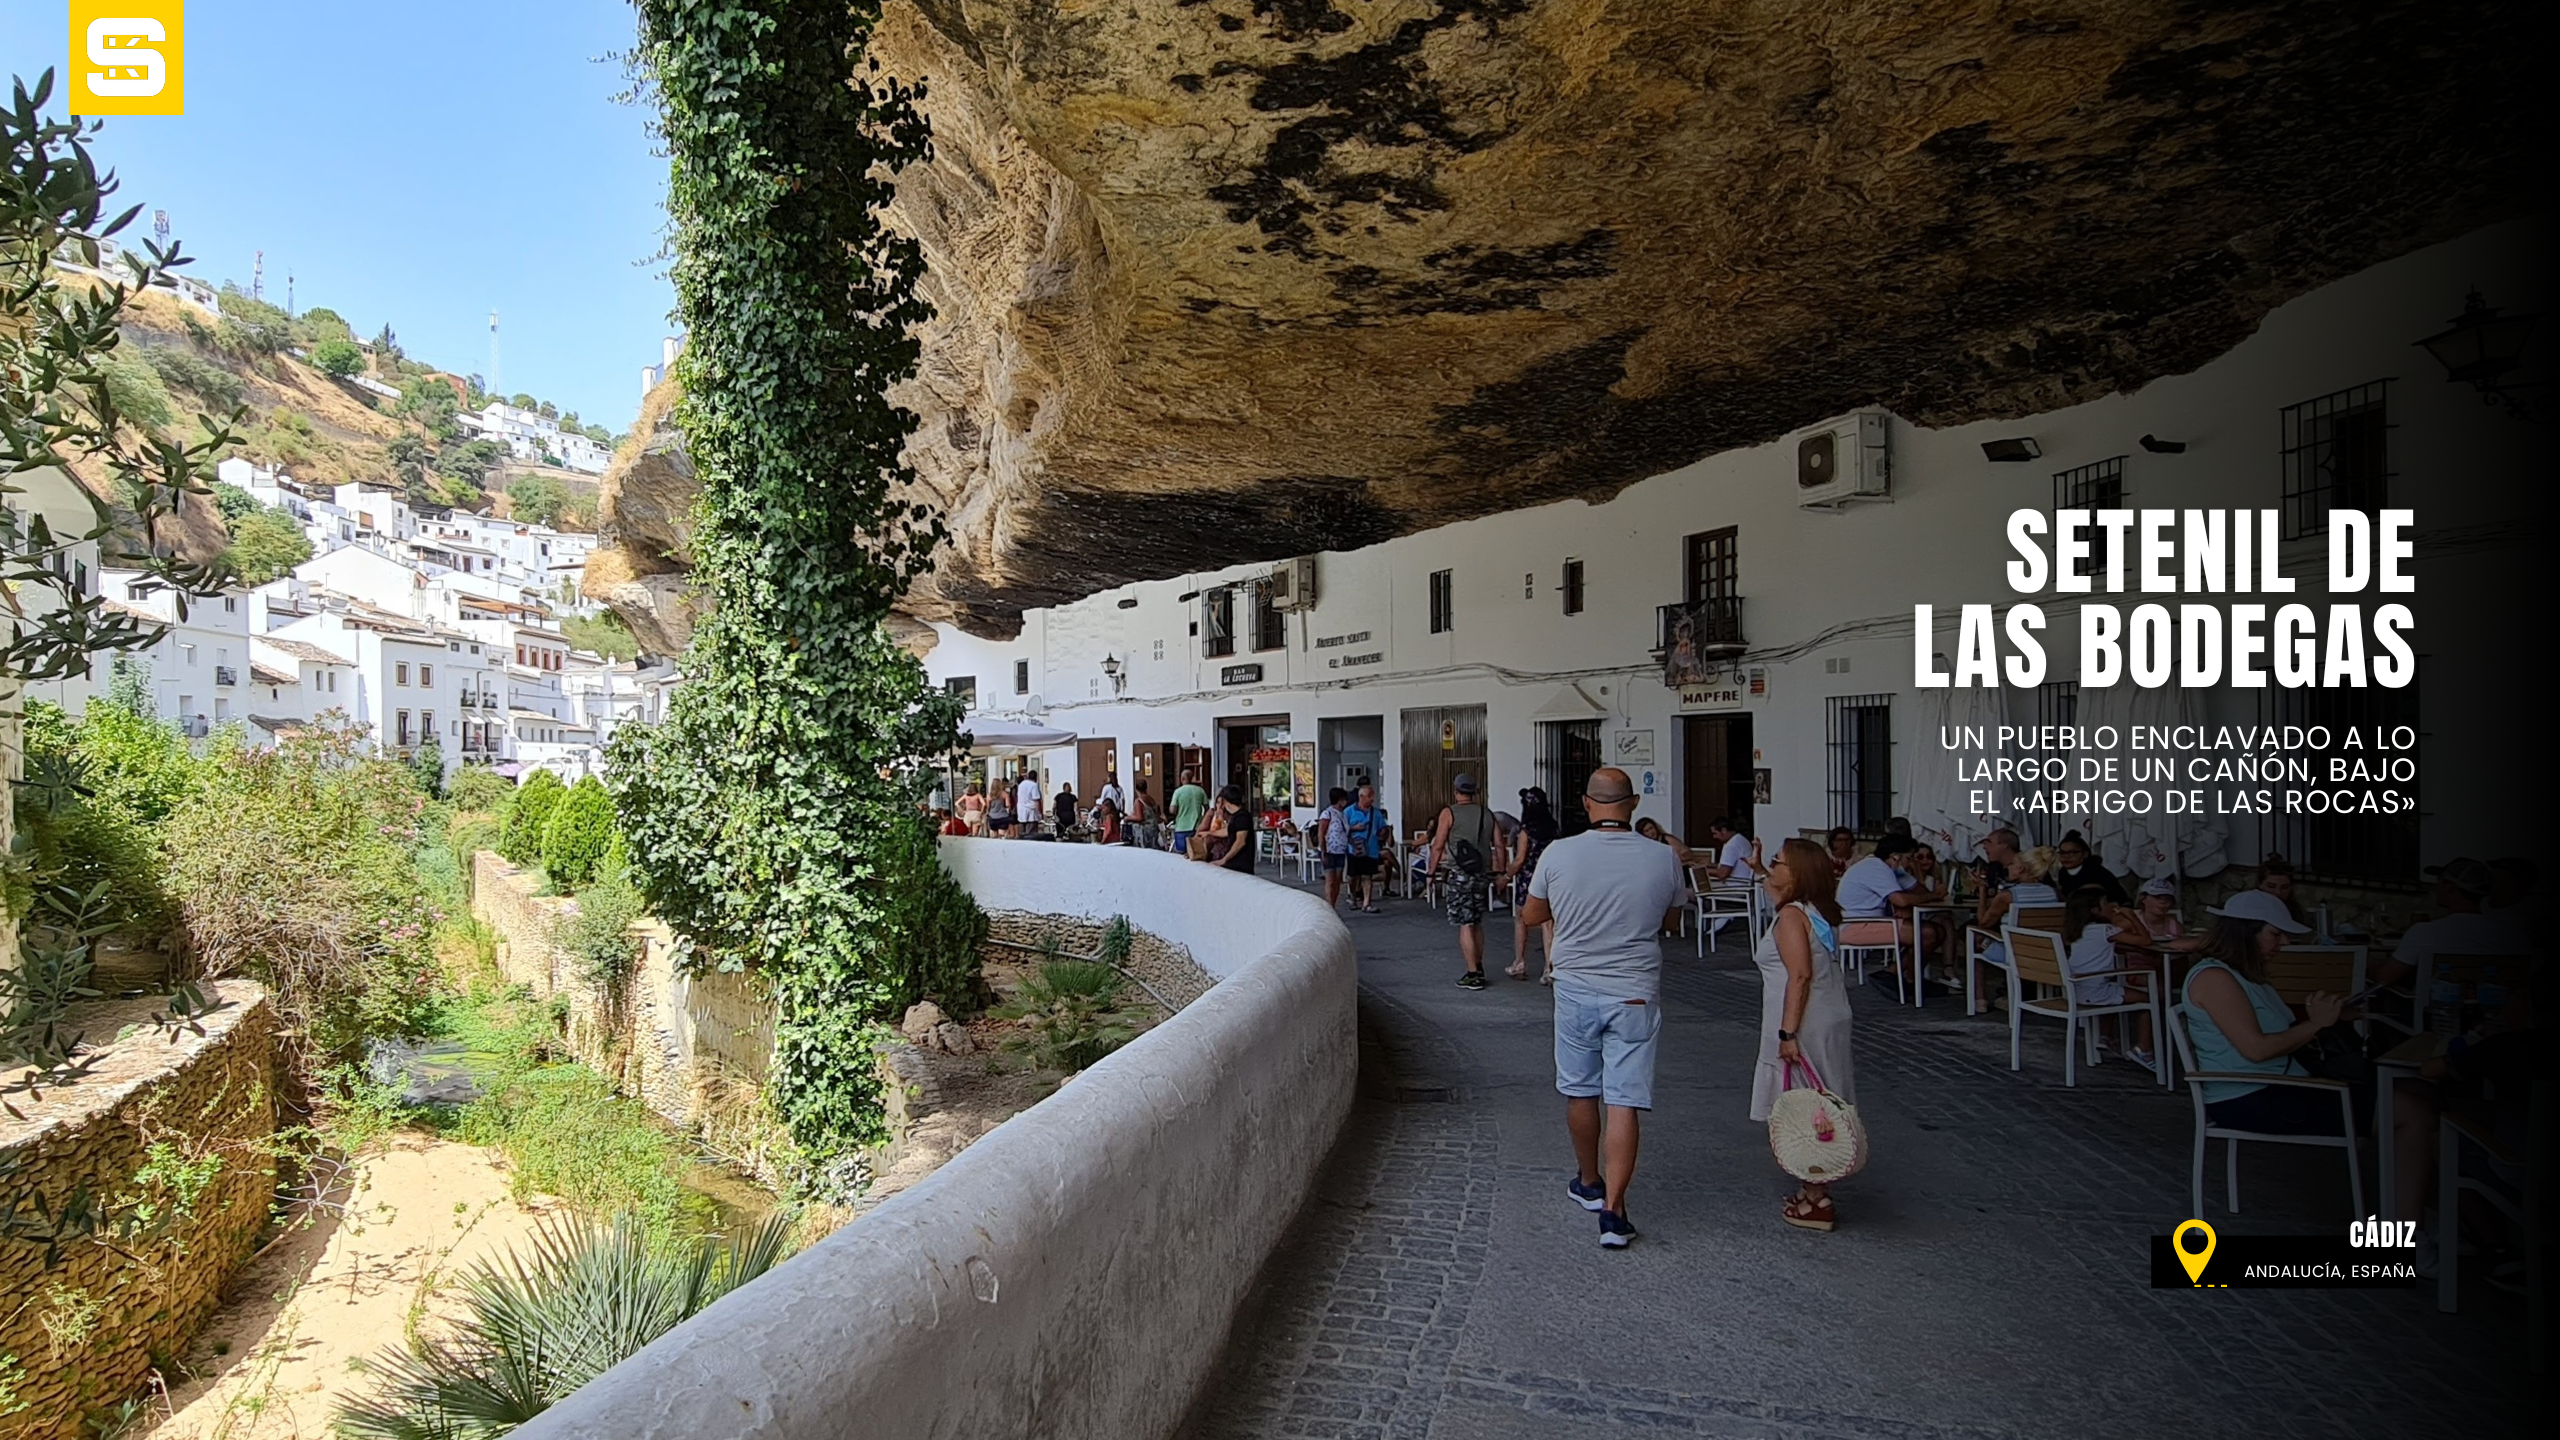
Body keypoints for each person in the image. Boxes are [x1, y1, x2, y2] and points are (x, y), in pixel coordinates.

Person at [1518, 768, 1690, 1248]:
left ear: (1586, 803)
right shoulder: (1663, 857)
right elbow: (1672, 920)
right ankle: (1615, 1212)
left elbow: (1532, 917)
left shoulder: (1559, 852)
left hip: (1575, 987)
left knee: (1580, 1091)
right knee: (1624, 1099)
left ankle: (1589, 1182)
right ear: (1633, 803)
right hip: (1635, 990)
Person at [2180, 890, 2376, 1137]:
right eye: (2275, 933)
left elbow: (2275, 1027)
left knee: (2405, 1099)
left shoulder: (2249, 976)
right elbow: (2257, 1050)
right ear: (2244, 934)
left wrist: (2329, 1016)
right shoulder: (2214, 978)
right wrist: (2316, 1024)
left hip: (2280, 1086)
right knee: (2406, 1111)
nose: (2285, 942)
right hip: (2249, 1098)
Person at [1749, 837, 1856, 1231]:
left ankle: (1817, 1196)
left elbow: (1800, 975)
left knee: (1808, 1106)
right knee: (1819, 1098)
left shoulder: (1792, 917)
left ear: (1796, 875)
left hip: (1805, 1021)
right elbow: (1771, 885)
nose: (1771, 869)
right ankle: (1813, 1187)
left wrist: (1787, 1032)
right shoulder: (1814, 910)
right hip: (1827, 1016)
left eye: (1778, 863)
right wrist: (1760, 868)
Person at [2370, 857, 2511, 992]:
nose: (2435, 887)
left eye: (2439, 881)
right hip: (2497, 1013)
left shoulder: (2425, 931)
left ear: (2449, 887)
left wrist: (2368, 966)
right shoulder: (2513, 934)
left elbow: (2383, 979)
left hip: (2434, 1013)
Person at [2060, 884, 2155, 1065]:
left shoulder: (2076, 930)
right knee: (2147, 1000)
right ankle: (2144, 1049)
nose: (2111, 905)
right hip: (2093, 992)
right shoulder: (2104, 930)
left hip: (2074, 989)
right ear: (2095, 910)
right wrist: (2133, 917)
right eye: (2106, 903)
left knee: (2112, 989)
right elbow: (2145, 940)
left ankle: (2105, 1037)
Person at [1838, 833, 1943, 986]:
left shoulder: (1892, 869)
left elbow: (1920, 892)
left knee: (1938, 931)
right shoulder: (1875, 867)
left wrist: (1916, 873)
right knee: (1927, 933)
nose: (1911, 863)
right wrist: (1934, 895)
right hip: (1854, 925)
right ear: (1896, 857)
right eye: (1909, 858)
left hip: (1872, 921)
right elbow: (1901, 900)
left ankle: (1894, 973)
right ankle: (1911, 981)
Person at [1428, 773, 1499, 989]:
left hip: (1460, 875)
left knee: (1465, 923)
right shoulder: (1487, 813)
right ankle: (1478, 966)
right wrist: (1501, 873)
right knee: (1476, 922)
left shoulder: (1449, 813)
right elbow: (1499, 844)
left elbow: (1438, 845)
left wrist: (1431, 873)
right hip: (1482, 875)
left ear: (1456, 790)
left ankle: (1472, 973)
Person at [1507, 787, 1560, 981]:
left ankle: (1519, 962)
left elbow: (1520, 859)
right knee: (1548, 923)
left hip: (1528, 879)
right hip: (1550, 877)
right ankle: (1549, 968)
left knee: (1521, 919)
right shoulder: (1553, 828)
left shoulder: (1525, 831)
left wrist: (1507, 874)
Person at [2052, 830, 2129, 904]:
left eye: (2073, 853)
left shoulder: (2097, 872)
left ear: (2085, 854)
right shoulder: (2063, 872)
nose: (2067, 857)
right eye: (2062, 853)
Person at [1343, 783, 1386, 911]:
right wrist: (1354, 828)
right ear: (1361, 796)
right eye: (1369, 796)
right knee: (1353, 876)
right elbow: (1341, 830)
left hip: (1371, 849)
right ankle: (1353, 897)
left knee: (1368, 876)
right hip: (1353, 849)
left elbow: (1383, 828)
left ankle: (1366, 903)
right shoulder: (1348, 812)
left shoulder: (1376, 813)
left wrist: (1383, 833)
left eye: (1372, 796)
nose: (1372, 798)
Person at [1313, 787, 1351, 910]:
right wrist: (1323, 850)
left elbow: (1346, 832)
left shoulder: (1343, 814)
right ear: (1340, 800)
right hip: (1329, 850)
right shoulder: (1327, 813)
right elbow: (1321, 832)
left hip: (1340, 850)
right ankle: (1329, 907)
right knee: (1330, 880)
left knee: (1338, 880)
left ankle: (1333, 904)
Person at [1209, 785, 1256, 873]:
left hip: (1240, 865)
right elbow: (1227, 831)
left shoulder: (1242, 817)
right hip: (1233, 863)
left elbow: (1240, 841)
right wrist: (1209, 833)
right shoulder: (1235, 816)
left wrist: (1224, 859)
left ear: (1226, 801)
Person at [1169, 771, 1209, 858]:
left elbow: (1172, 810)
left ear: (1182, 779)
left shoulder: (1178, 792)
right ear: (1192, 778)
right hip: (1197, 828)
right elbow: (1207, 809)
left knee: (1181, 856)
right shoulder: (1200, 790)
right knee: (1195, 855)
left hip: (1181, 828)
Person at [1129, 779, 1160, 852]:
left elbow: (1139, 818)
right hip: (1153, 829)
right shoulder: (1151, 799)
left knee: (1144, 852)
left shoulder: (1139, 801)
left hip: (1144, 831)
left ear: (1136, 789)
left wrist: (1128, 818)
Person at [1015, 769, 1045, 838]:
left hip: (1021, 812)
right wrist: (1040, 814)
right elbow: (1036, 800)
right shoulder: (1034, 785)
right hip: (1031, 813)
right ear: (1036, 777)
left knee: (1022, 834)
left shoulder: (1021, 784)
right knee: (1031, 834)